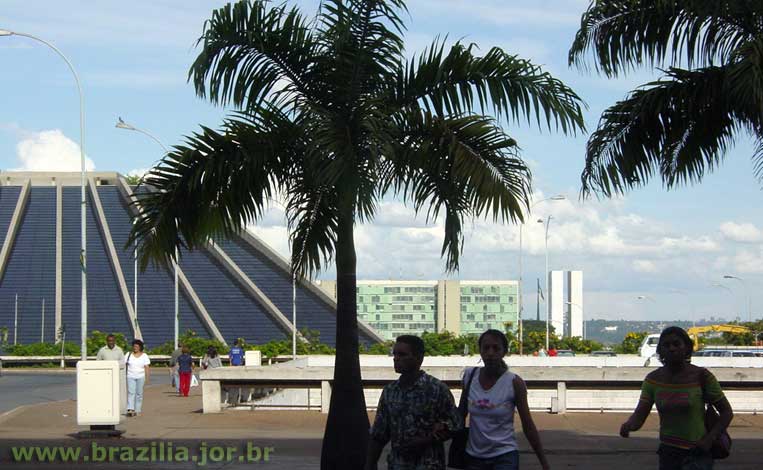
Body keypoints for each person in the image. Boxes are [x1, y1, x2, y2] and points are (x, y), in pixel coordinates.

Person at [620, 326, 734, 470]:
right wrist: (629, 426)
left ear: (687, 347)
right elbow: (640, 413)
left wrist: (708, 440)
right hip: (668, 454)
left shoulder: (702, 376)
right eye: (666, 345)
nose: (672, 348)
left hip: (697, 453)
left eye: (676, 344)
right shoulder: (653, 380)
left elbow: (727, 412)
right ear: (660, 351)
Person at [366, 335, 460, 470]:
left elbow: (455, 424)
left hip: (428, 464)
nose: (396, 358)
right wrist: (369, 464)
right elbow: (379, 434)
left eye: (402, 354)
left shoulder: (436, 389)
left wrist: (427, 439)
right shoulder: (390, 391)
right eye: (395, 354)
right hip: (397, 465)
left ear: (418, 358)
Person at [463, 329, 550, 470]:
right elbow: (460, 413)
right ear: (480, 351)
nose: (490, 353)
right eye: (486, 348)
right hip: (473, 456)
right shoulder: (469, 376)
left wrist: (544, 462)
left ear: (504, 352)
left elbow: (527, 424)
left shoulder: (514, 383)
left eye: (496, 348)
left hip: (504, 455)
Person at [96, 334, 126, 415]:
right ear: (107, 341)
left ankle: (117, 410)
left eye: (112, 341)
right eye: (109, 341)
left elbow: (123, 363)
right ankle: (106, 409)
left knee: (116, 393)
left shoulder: (119, 350)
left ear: (115, 341)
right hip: (105, 377)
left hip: (116, 377)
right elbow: (98, 362)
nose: (111, 342)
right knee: (106, 394)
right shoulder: (102, 350)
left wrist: (114, 365)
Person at [125, 339, 150, 417]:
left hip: (140, 377)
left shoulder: (144, 356)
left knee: (139, 393)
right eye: (134, 346)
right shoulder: (128, 354)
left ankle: (137, 409)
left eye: (137, 346)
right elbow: (123, 364)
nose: (135, 348)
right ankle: (130, 408)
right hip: (130, 376)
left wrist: (147, 378)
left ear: (140, 347)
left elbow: (147, 367)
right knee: (131, 392)